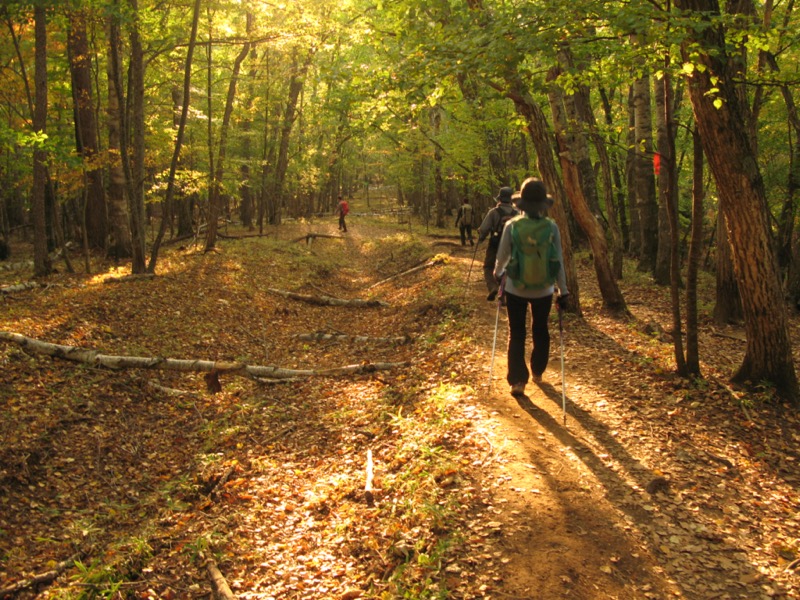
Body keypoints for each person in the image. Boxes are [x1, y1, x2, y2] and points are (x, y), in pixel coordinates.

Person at [494, 177, 568, 397]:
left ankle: (517, 380)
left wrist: (498, 274)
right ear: (543, 205)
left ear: (521, 204)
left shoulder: (512, 226)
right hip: (544, 289)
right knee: (540, 329)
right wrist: (563, 291)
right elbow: (559, 261)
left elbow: (502, 256)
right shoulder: (551, 227)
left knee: (516, 332)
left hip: (516, 287)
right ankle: (537, 370)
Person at [477, 187, 518, 301]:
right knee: (509, 268)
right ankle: (504, 294)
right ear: (511, 200)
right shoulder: (517, 213)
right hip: (512, 245)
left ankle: (493, 287)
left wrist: (481, 237)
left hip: (496, 243)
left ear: (499, 199)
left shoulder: (493, 212)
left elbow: (484, 229)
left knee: (489, 266)